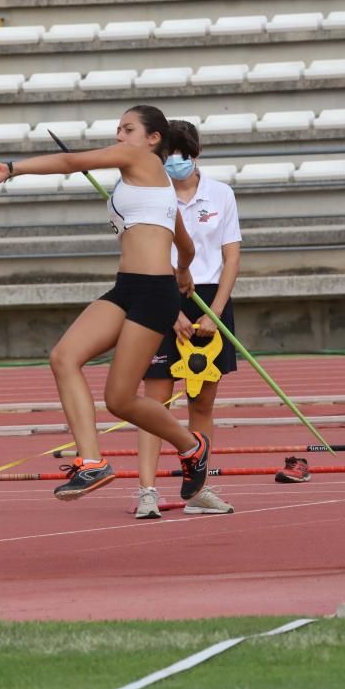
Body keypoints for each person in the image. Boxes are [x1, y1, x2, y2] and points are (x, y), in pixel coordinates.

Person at [0, 105, 212, 502]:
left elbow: (71, 161)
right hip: (126, 287)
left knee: (120, 399)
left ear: (152, 138)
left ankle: (192, 446)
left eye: (128, 129)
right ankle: (92, 462)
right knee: (64, 357)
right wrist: (185, 270)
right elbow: (184, 242)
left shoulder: (140, 158)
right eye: (118, 130)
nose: (120, 136)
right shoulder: (148, 186)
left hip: (154, 291)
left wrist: (13, 168)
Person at [135, 120, 241, 519]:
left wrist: (218, 311)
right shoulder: (151, 195)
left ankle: (199, 490)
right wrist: (170, 309)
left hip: (212, 298)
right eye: (166, 159)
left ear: (194, 156)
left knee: (202, 400)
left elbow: (232, 255)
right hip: (161, 294)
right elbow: (148, 253)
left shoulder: (221, 193)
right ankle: (146, 492)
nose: (173, 165)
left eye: (180, 157)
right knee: (153, 401)